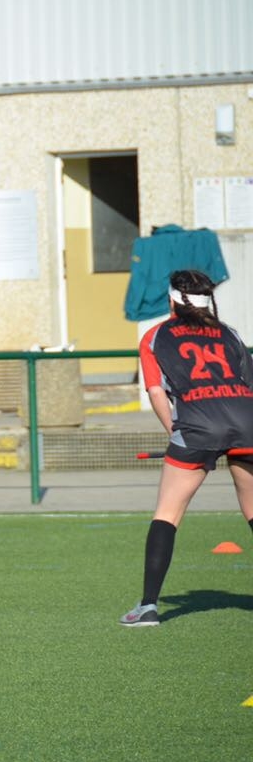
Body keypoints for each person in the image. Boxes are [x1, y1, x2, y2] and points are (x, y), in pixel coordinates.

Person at [120, 269, 253, 627]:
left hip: (198, 425)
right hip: (247, 421)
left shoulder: (155, 336)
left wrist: (175, 432)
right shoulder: (229, 332)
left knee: (167, 513)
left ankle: (148, 606)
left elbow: (156, 393)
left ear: (173, 301)